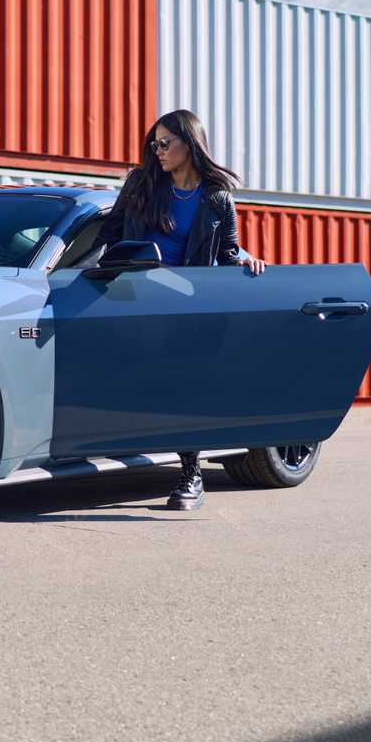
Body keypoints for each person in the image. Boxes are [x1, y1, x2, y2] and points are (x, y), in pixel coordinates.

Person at [97, 108, 267, 512]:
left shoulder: (217, 197)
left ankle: (191, 474)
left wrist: (245, 261)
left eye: (164, 143)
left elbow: (226, 252)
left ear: (190, 143)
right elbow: (110, 234)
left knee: (182, 384)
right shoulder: (141, 184)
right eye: (153, 143)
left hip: (188, 302)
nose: (156, 151)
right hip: (141, 295)